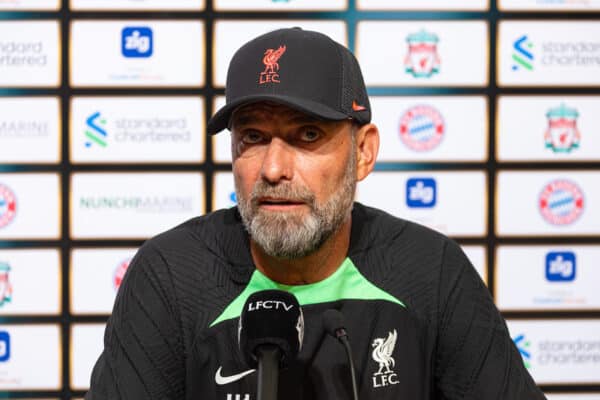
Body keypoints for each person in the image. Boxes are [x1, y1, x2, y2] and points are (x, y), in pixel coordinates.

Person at [86, 27, 546, 400]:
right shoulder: (171, 277)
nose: (272, 169)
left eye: (307, 135)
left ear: (363, 153)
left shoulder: (430, 272)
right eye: (253, 137)